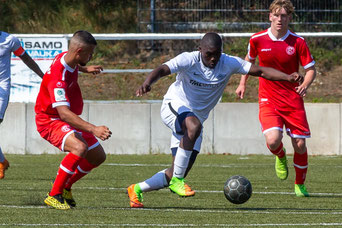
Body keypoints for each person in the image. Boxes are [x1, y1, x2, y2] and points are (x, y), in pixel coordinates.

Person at [127, 32, 302, 208]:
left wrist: (287, 77)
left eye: (216, 54)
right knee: (192, 129)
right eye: (208, 54)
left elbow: (261, 71)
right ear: (200, 49)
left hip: (194, 122)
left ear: (221, 51)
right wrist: (148, 82)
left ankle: (137, 189)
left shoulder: (228, 63)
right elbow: (163, 69)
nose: (212, 59)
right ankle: (177, 181)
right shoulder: (189, 59)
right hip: (175, 106)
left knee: (179, 168)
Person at [235, 0, 316, 197]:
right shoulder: (257, 39)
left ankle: (299, 184)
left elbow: (310, 69)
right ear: (270, 16)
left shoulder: (298, 41)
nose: (280, 19)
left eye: (284, 16)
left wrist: (304, 84)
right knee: (273, 140)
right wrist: (242, 83)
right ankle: (280, 156)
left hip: (292, 99)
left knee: (300, 144)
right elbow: (248, 62)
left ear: (289, 18)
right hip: (268, 98)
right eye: (277, 15)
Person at [35, 30, 112, 210]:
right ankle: (54, 194)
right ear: (78, 51)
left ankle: (66, 186)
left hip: (67, 120)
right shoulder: (58, 78)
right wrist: (93, 129)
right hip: (50, 120)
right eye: (89, 53)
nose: (92, 56)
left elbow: (72, 64)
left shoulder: (67, 57)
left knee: (98, 156)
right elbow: (63, 113)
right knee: (80, 147)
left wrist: (85, 68)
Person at [0, 31, 44, 179]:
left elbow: (26, 58)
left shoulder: (9, 40)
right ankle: (1, 162)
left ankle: (1, 162)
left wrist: (43, 77)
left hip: (2, 89)